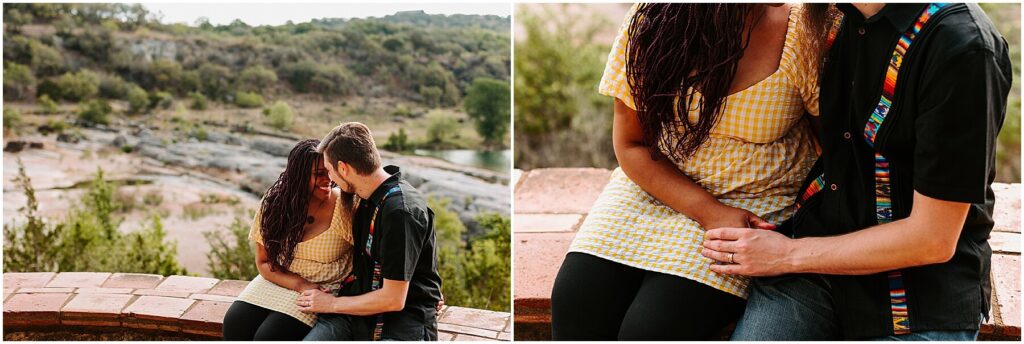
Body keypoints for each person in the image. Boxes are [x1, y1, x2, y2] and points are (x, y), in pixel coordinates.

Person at [700, 3, 1012, 340]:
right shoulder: (836, 19)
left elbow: (933, 240)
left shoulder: (962, 47)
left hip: (921, 293)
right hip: (815, 264)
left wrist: (785, 255)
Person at [549, 3, 836, 340]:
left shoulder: (806, 28)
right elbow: (631, 144)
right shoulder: (655, 21)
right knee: (577, 305)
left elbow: (833, 146)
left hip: (753, 200)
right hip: (654, 187)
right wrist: (709, 212)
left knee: (653, 328)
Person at [297, 122, 443, 341]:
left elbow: (394, 299)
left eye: (329, 170)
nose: (330, 180)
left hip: (401, 322)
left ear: (343, 168)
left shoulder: (400, 213)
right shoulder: (365, 198)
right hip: (355, 312)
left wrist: (332, 304)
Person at [222, 139, 357, 340]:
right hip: (280, 279)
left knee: (268, 337)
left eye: (330, 171)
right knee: (234, 324)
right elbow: (264, 262)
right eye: (319, 174)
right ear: (299, 176)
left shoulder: (345, 206)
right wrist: (299, 284)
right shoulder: (274, 204)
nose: (328, 179)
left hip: (322, 287)